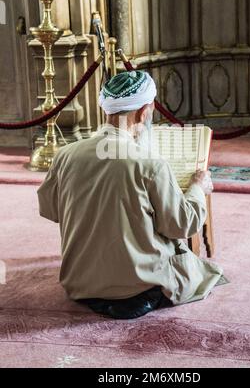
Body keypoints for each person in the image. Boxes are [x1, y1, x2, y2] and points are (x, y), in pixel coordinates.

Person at [37, 70, 225, 319]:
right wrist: (197, 189)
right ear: (144, 111)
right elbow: (182, 225)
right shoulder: (150, 164)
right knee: (199, 269)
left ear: (107, 109)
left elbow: (49, 209)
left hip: (80, 284)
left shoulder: (65, 154)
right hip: (137, 290)